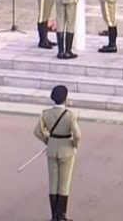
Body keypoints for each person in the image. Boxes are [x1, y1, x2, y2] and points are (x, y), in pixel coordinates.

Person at [33, 85, 81, 221]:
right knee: (64, 184)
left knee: (53, 183)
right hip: (66, 149)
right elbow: (78, 135)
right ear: (66, 99)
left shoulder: (45, 114)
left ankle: (54, 216)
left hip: (52, 149)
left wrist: (48, 141)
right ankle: (62, 216)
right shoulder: (71, 116)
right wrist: (75, 146)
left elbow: (37, 131)